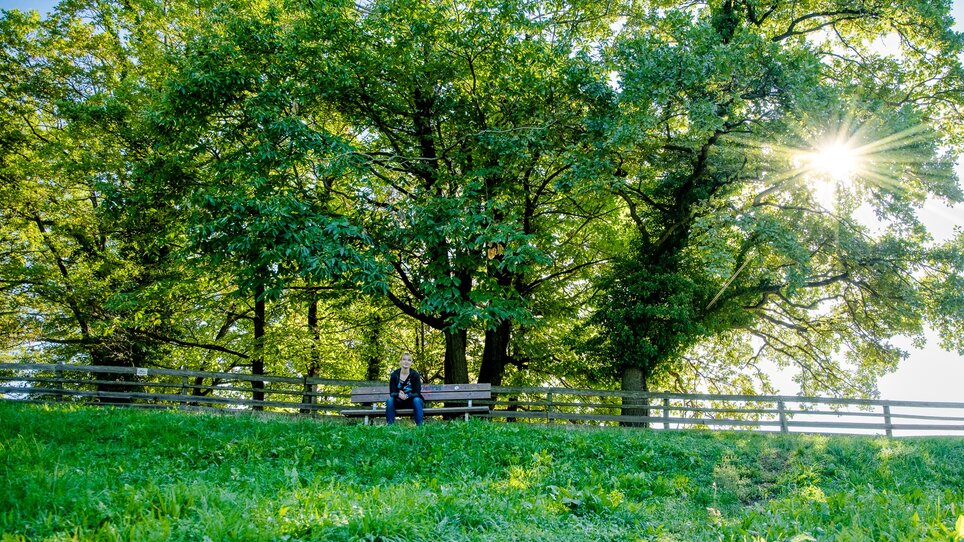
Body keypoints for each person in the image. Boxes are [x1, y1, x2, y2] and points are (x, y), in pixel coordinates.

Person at [386, 352, 424, 426]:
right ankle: (389, 427)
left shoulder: (415, 375)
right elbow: (392, 393)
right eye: (404, 359)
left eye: (409, 360)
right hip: (399, 401)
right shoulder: (394, 375)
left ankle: (420, 427)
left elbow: (417, 393)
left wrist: (407, 396)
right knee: (390, 400)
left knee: (417, 399)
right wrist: (399, 395)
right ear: (400, 361)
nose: (406, 362)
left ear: (411, 363)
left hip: (412, 401)